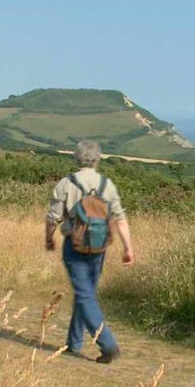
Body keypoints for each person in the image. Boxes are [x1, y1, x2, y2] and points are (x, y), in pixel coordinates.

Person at [45, 140, 134, 363]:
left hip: (73, 247)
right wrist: (128, 248)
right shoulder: (107, 184)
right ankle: (73, 343)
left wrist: (48, 238)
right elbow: (120, 218)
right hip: (99, 247)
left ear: (77, 158)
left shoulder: (66, 183)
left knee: (84, 295)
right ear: (97, 159)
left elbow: (53, 217)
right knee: (85, 294)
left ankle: (108, 344)